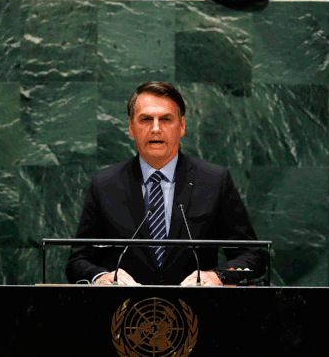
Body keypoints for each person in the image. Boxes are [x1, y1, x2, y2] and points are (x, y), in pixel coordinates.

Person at [66, 81, 266, 286]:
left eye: (165, 119)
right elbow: (78, 261)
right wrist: (101, 277)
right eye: (145, 119)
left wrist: (217, 276)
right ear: (131, 127)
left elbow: (253, 256)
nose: (155, 128)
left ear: (182, 126)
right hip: (125, 313)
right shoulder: (105, 184)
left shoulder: (214, 181)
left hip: (197, 312)